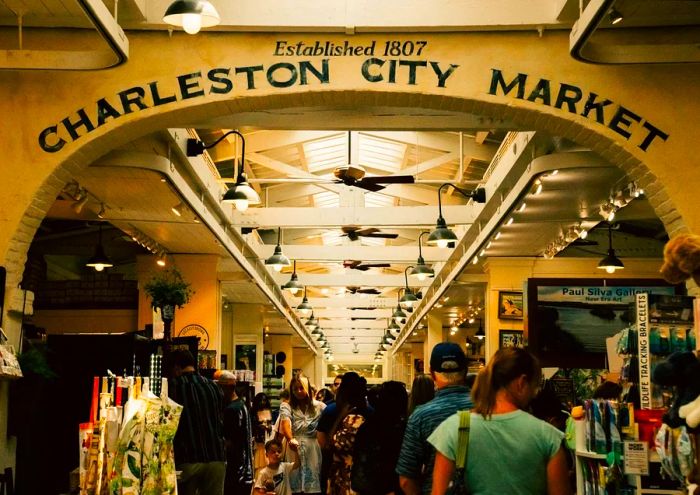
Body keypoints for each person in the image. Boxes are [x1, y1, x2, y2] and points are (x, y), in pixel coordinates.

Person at [428, 348, 571, 495]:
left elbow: (438, 492)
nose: (533, 394)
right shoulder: (548, 436)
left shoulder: (454, 428)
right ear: (521, 383)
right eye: (534, 386)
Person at [396, 343, 473, 495]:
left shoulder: (421, 416)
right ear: (466, 370)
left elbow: (406, 480)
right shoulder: (490, 409)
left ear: (431, 372)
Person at [168, 349, 227, 495]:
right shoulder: (214, 387)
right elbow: (220, 420)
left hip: (188, 459)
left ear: (176, 367)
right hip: (216, 458)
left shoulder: (173, 386)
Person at [352, 380, 409, 495]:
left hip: (367, 486)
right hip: (394, 486)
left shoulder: (367, 425)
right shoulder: (402, 427)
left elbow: (359, 456)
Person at [279, 373, 326, 494]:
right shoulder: (287, 406)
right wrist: (290, 438)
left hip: (313, 447)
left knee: (313, 486)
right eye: (295, 389)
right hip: (294, 447)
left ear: (307, 388)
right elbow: (285, 424)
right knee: (294, 484)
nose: (298, 391)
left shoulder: (320, 406)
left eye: (301, 388)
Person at [326, 372, 371, 495]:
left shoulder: (353, 419)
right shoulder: (365, 412)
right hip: (353, 475)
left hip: (348, 477)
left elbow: (334, 443)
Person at [220, 371, 254, 495]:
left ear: (224, 388)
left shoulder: (230, 410)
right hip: (246, 469)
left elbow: (230, 442)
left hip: (235, 470)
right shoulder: (242, 405)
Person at [253, 393, 276, 476]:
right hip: (259, 445)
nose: (263, 402)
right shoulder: (253, 414)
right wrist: (259, 427)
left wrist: (269, 427)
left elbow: (272, 426)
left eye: (264, 400)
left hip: (268, 444)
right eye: (261, 401)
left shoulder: (269, 412)